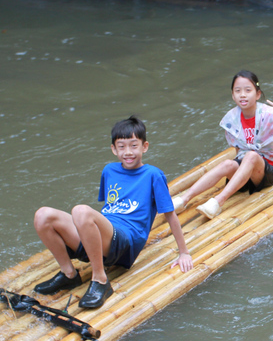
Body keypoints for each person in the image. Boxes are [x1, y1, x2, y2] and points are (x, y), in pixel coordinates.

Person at [32, 116, 193, 309]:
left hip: (126, 242)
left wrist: (184, 253)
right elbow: (108, 208)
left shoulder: (153, 175)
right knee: (43, 216)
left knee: (80, 211)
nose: (128, 152)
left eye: (134, 146)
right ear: (113, 149)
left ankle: (100, 279)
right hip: (104, 237)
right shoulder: (109, 171)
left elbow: (169, 214)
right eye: (122, 147)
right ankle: (69, 275)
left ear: (145, 146)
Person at [172, 70, 273, 220]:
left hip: (266, 172)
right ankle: (184, 200)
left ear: (257, 94)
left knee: (251, 156)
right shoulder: (231, 118)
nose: (242, 94)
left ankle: (218, 201)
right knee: (227, 164)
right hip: (244, 171)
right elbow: (238, 151)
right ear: (232, 95)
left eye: (248, 90)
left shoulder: (269, 114)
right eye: (238, 91)